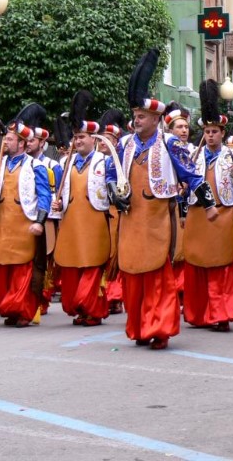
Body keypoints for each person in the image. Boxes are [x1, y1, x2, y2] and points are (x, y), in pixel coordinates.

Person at [118, 49, 217, 350]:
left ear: (156, 118)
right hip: (131, 220)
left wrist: (209, 204)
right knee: (133, 274)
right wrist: (113, 192)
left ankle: (159, 328)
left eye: (141, 116)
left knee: (157, 276)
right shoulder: (124, 144)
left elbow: (192, 174)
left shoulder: (170, 143)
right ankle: (139, 326)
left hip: (159, 220)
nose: (136, 120)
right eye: (135, 116)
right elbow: (112, 173)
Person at [182, 80, 233, 331]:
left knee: (222, 266)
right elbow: (184, 187)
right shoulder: (193, 156)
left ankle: (221, 314)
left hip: (223, 215)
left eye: (214, 131)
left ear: (222, 132)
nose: (210, 135)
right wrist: (181, 208)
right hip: (197, 215)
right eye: (207, 132)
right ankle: (199, 313)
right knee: (197, 264)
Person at [52, 91, 120, 327]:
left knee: (92, 264)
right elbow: (59, 193)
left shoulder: (106, 161)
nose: (77, 141)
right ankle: (79, 308)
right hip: (71, 224)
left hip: (94, 223)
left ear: (94, 139)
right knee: (72, 265)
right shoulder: (64, 163)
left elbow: (114, 190)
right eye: (75, 137)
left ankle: (92, 309)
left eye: (81, 137)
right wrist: (57, 204)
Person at [0, 105, 51, 328]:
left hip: (24, 227)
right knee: (1, 269)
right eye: (5, 138)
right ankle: (9, 309)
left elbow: (44, 195)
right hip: (0, 226)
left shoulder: (36, 166)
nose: (5, 142)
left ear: (21, 143)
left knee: (23, 270)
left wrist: (39, 221)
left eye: (10, 139)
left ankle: (23, 311)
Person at [26, 118, 62, 317]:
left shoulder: (52, 165)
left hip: (47, 218)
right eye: (27, 140)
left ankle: (43, 297)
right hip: (25, 218)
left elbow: (60, 191)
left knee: (45, 258)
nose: (28, 143)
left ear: (42, 143)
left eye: (32, 140)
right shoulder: (23, 164)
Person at [163, 101, 193, 306]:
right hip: (171, 206)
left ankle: (184, 290)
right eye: (179, 127)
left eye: (186, 127)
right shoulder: (163, 152)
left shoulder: (194, 150)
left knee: (186, 251)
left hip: (191, 208)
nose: (183, 131)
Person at [98, 108, 127, 315]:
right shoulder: (93, 161)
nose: (102, 143)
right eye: (100, 139)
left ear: (116, 142)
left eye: (107, 140)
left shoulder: (120, 161)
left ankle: (115, 296)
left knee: (116, 254)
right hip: (98, 213)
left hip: (116, 211)